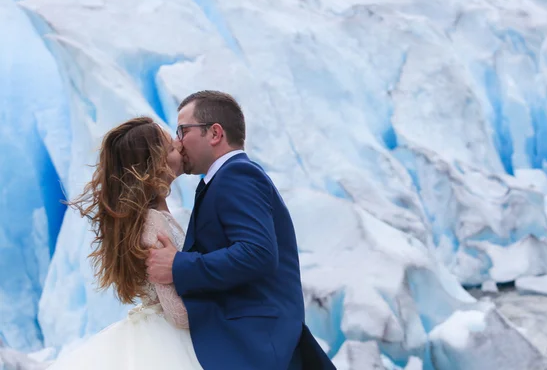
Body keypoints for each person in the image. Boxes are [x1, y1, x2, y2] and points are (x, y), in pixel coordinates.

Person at [146, 91, 335, 370]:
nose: (178, 142)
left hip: (254, 344)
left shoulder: (237, 175)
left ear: (215, 133)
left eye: (183, 130)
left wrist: (178, 265)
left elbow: (257, 253)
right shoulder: (221, 180)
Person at [47, 117, 204, 370]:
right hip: (169, 341)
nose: (180, 145)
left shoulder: (151, 217)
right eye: (172, 149)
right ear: (155, 167)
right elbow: (178, 313)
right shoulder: (153, 224)